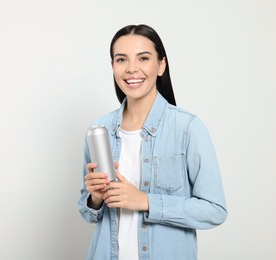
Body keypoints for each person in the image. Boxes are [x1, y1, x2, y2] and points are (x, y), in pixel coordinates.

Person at [78, 24, 227, 260]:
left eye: (143, 58)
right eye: (121, 60)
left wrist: (146, 201)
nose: (131, 69)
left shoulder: (188, 128)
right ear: (113, 67)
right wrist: (95, 198)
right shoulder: (100, 130)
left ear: (161, 65)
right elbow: (88, 213)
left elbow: (214, 211)